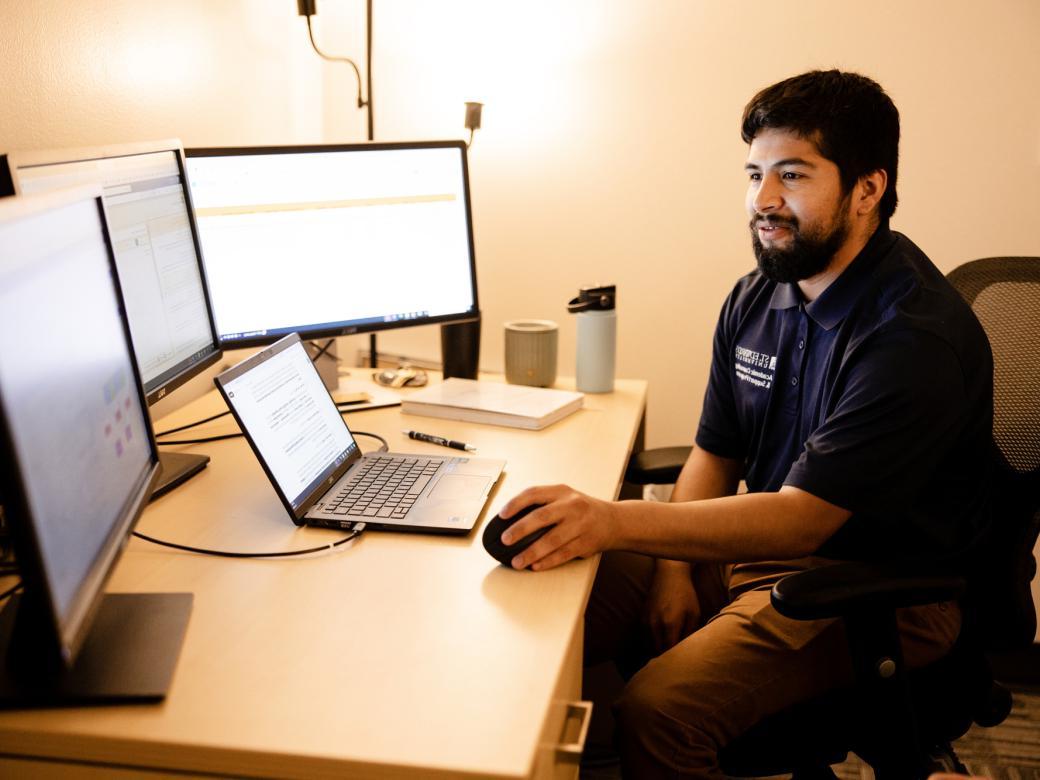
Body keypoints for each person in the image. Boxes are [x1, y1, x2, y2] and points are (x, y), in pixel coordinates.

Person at [495, 70, 994, 777]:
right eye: (755, 173)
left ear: (867, 189)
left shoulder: (912, 336)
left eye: (791, 175)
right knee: (542, 598)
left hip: (879, 590)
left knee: (658, 712)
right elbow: (714, 453)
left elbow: (801, 522)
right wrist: (672, 568)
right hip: (756, 553)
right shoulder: (758, 295)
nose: (763, 200)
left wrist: (614, 520)